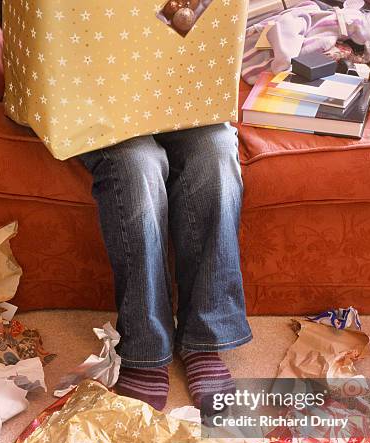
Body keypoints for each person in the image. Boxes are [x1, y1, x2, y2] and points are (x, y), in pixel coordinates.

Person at [79, 123, 251, 411]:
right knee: (135, 163)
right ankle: (146, 348)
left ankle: (202, 341)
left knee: (216, 152)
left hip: (188, 106)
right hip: (104, 113)